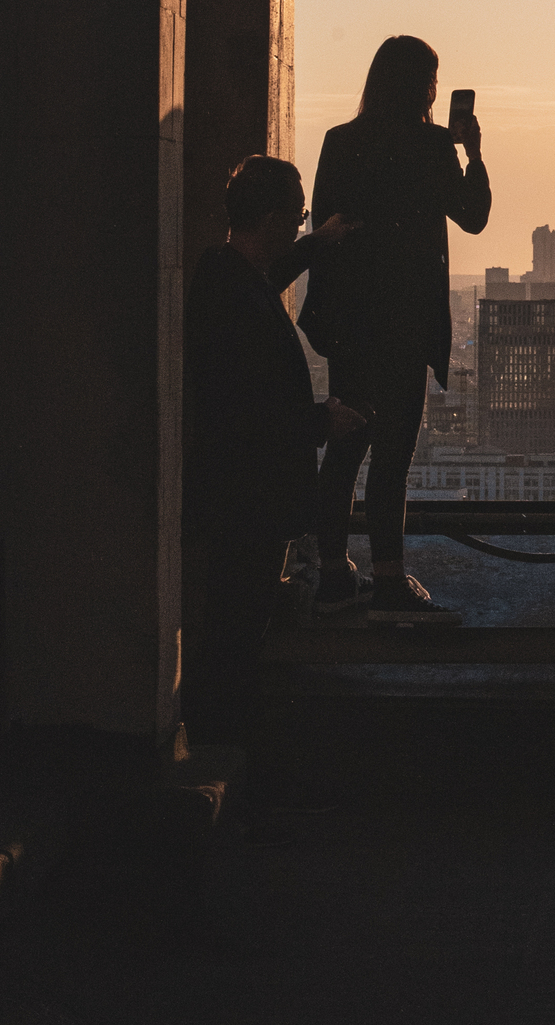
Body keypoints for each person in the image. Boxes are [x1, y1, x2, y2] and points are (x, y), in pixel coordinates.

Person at [303, 36, 490, 621]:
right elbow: (475, 217)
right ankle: (388, 579)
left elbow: (326, 232)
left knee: (345, 446)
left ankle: (333, 575)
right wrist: (473, 153)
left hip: (354, 320)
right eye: (433, 78)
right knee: (392, 456)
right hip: (407, 320)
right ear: (422, 86)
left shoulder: (340, 141)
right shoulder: (433, 145)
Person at [183, 154, 369, 737]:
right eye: (296, 216)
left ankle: (219, 748)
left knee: (234, 631)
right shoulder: (232, 292)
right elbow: (245, 410)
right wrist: (320, 421)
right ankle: (219, 747)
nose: (298, 224)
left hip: (243, 500)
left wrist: (316, 244)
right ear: (268, 217)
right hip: (248, 503)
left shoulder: (229, 279)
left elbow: (270, 275)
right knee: (235, 634)